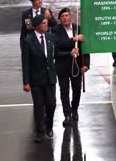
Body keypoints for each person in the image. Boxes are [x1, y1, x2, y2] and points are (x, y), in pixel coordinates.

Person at [22, 15, 58, 143]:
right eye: (43, 23)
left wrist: (70, 52)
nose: (46, 25)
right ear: (37, 26)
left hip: (50, 78)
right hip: (36, 80)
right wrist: (26, 82)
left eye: (46, 23)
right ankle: (39, 131)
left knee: (51, 104)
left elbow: (57, 54)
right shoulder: (28, 41)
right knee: (38, 106)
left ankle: (49, 126)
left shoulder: (50, 37)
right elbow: (25, 63)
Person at [53, 8, 90, 127]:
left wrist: (86, 64)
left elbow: (85, 48)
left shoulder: (78, 28)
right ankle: (67, 114)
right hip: (62, 66)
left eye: (67, 15)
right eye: (62, 16)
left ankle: (75, 110)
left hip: (77, 66)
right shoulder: (55, 30)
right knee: (64, 91)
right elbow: (59, 43)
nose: (65, 18)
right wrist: (73, 39)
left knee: (77, 89)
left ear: (70, 17)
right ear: (59, 19)